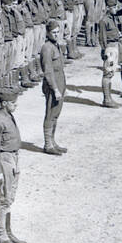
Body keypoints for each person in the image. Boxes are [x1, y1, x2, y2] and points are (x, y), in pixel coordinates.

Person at [0, 84, 24, 243]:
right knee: (4, 199)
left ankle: (9, 232)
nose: (15, 105)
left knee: (10, 198)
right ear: (4, 103)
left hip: (14, 158)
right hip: (4, 160)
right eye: (13, 103)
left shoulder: (8, 116)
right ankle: (2, 235)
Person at [39, 20, 68, 156]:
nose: (56, 35)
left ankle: (53, 141)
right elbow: (48, 71)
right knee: (50, 114)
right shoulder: (47, 48)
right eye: (54, 32)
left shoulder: (56, 45)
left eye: (58, 32)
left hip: (60, 82)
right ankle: (47, 144)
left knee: (56, 114)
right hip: (53, 84)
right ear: (48, 33)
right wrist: (55, 89)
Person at [99, 0, 122, 108]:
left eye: (116, 6)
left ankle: (109, 98)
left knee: (111, 73)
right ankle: (107, 99)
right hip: (109, 49)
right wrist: (104, 51)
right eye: (113, 7)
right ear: (108, 7)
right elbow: (102, 38)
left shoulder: (113, 18)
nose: (115, 8)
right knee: (107, 73)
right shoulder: (104, 20)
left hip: (115, 46)